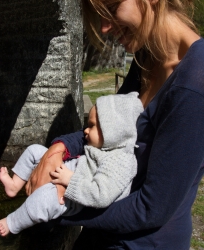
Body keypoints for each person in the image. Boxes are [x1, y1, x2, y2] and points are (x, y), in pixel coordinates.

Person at [25, 0, 204, 249]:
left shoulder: (194, 84)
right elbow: (108, 128)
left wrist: (55, 206)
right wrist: (59, 149)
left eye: (111, 6)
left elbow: (151, 208)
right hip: (107, 231)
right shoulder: (147, 55)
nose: (105, 27)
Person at [0, 93, 143, 236]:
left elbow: (100, 194)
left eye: (91, 126)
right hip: (69, 170)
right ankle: (14, 185)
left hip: (72, 198)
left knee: (44, 199)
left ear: (112, 132)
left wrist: (70, 180)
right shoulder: (105, 146)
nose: (85, 130)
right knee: (35, 151)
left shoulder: (121, 162)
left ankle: (11, 224)